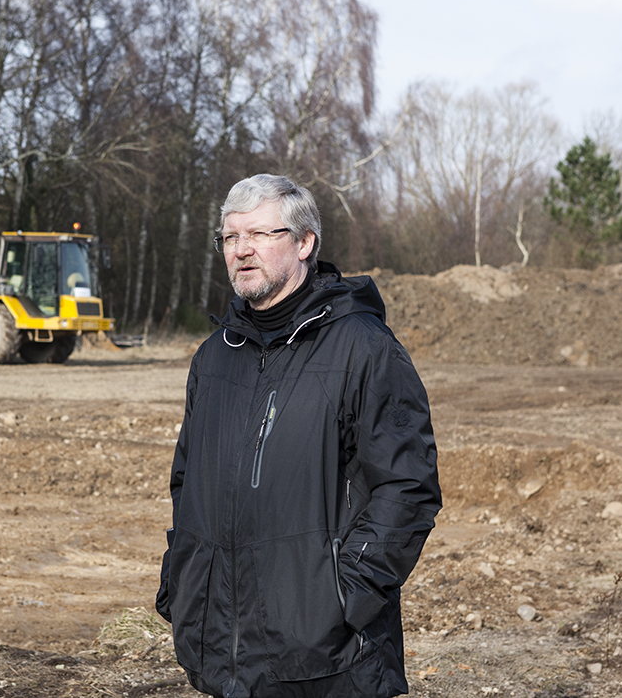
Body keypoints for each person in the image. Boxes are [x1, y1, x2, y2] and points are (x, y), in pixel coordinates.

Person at [155, 174, 442, 698]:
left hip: (327, 664)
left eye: (260, 235)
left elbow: (409, 488)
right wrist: (183, 583)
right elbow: (186, 483)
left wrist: (341, 599)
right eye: (230, 237)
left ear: (305, 242)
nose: (241, 251)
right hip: (220, 650)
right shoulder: (215, 355)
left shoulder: (364, 348)